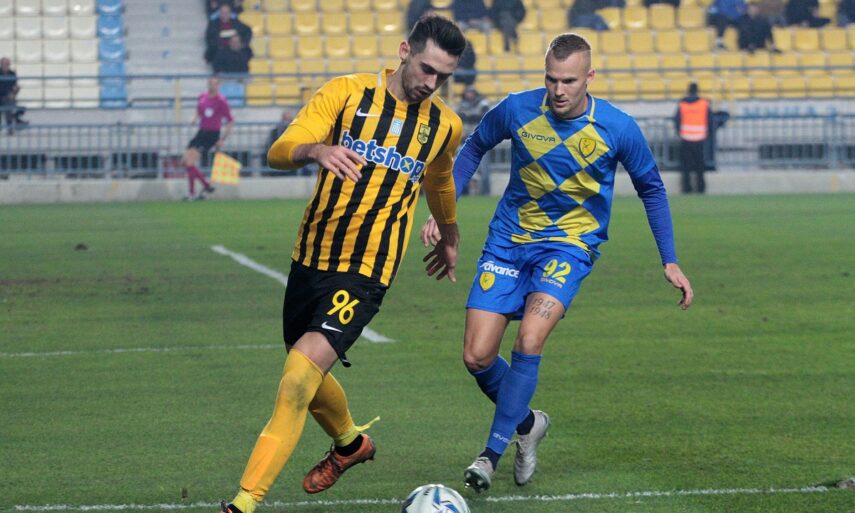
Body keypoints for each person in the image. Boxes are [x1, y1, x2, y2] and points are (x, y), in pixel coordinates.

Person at [420, 32, 693, 493]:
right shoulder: (516, 109)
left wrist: (669, 260)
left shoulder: (618, 127)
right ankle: (528, 424)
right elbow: (473, 148)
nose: (559, 90)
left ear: (590, 77)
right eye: (551, 79)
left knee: (529, 338)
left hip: (569, 247)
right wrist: (445, 210)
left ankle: (490, 455)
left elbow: (651, 187)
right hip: (507, 242)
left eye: (569, 81)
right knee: (476, 356)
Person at [216, 15, 466, 513]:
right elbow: (278, 151)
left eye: (443, 76)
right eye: (426, 68)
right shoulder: (346, 94)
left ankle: (244, 502)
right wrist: (315, 149)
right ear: (404, 51)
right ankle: (350, 444)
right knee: (303, 369)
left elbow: (439, 181)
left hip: (368, 269)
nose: (431, 83)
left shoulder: (444, 125)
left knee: (297, 379)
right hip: (311, 257)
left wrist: (450, 235)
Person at [182, 76, 233, 200]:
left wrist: (222, 139)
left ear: (218, 86)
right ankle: (205, 186)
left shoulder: (221, 101)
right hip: (201, 132)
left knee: (189, 162)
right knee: (185, 161)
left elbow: (230, 121)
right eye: (210, 83)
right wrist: (194, 118)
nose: (212, 86)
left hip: (212, 134)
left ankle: (193, 192)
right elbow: (199, 111)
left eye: (214, 84)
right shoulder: (202, 97)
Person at [674, 82, 712, 194]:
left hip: (686, 138)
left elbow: (677, 120)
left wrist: (680, 132)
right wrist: (708, 133)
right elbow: (710, 120)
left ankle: (687, 188)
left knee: (686, 166)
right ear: (697, 91)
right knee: (700, 166)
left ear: (688, 91)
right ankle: (700, 188)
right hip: (700, 138)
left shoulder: (682, 104)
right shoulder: (704, 103)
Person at [0, 57, 28, 135]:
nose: (6, 65)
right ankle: (16, 121)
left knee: (9, 105)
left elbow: (16, 86)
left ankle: (10, 128)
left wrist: (13, 94)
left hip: (8, 96)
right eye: (4, 64)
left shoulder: (12, 73)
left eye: (7, 64)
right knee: (8, 105)